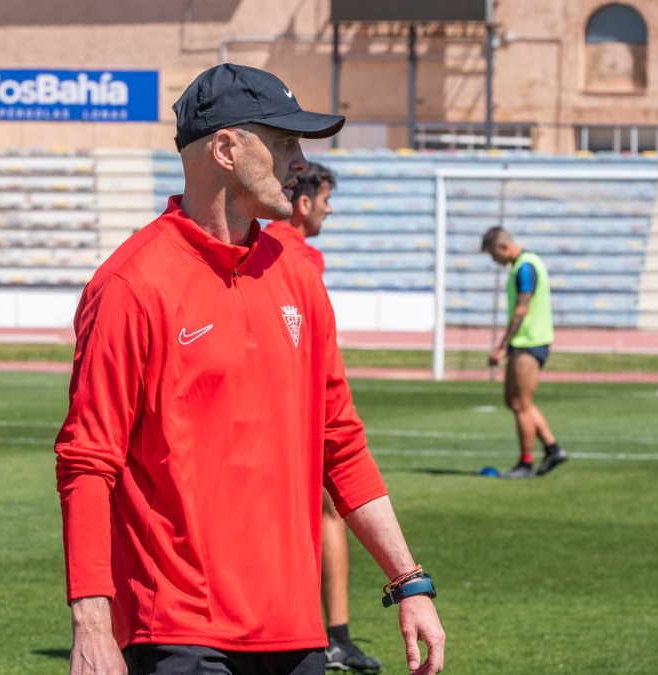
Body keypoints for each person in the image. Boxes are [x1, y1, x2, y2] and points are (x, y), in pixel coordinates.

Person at [55, 64, 445, 675]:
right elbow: (87, 461)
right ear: (227, 149)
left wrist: (409, 581)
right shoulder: (132, 285)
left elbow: (340, 442)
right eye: (285, 141)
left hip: (294, 633)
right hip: (178, 631)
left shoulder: (298, 277)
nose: (299, 161)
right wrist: (93, 623)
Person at [265, 165, 382, 674]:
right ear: (304, 202)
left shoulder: (260, 241)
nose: (329, 208)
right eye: (325, 198)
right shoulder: (299, 255)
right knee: (331, 510)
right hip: (295, 406)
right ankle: (332, 635)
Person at [481, 226, 569, 479]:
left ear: (503, 247)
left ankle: (525, 464)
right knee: (514, 400)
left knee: (521, 403)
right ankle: (552, 449)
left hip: (530, 342)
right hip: (523, 342)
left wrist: (501, 346)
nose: (494, 261)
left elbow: (522, 309)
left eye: (492, 255)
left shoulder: (525, 267)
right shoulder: (523, 264)